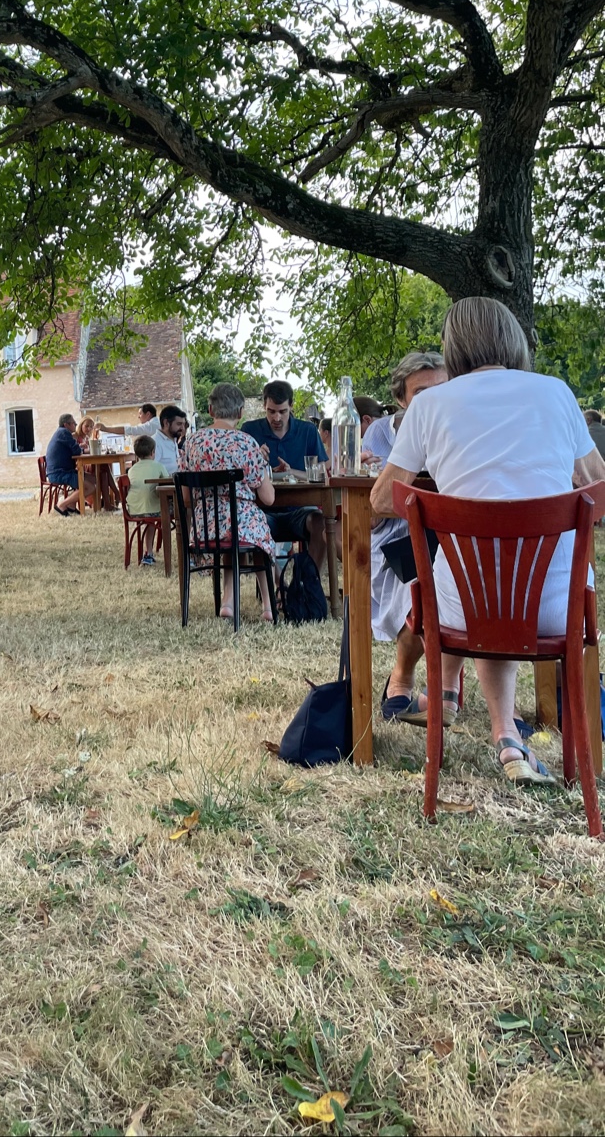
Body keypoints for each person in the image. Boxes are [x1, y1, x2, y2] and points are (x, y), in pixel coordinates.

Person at [371, 297, 605, 787]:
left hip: (462, 611)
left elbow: (382, 499)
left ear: (452, 349)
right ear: (513, 339)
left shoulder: (429, 404)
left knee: (477, 573)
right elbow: (596, 484)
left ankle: (449, 699)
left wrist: (447, 495)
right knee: (502, 570)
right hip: (558, 607)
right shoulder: (557, 393)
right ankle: (507, 737)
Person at [362, 351, 448, 717]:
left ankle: (445, 684)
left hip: (450, 530)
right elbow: (372, 511)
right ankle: (405, 675)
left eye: (442, 390)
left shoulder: (458, 425)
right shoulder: (379, 433)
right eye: (422, 394)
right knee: (418, 578)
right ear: (401, 398)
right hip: (394, 534)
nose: (434, 401)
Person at [177, 382, 277, 619]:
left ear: (210, 410)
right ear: (241, 413)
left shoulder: (191, 443)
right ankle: (269, 606)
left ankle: (228, 603)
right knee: (259, 538)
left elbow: (185, 497)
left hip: (204, 529)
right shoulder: (246, 443)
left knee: (234, 535)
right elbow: (268, 498)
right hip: (241, 524)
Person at [242, 380, 328, 571]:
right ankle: (273, 585)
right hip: (262, 511)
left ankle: (308, 580)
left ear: (291, 406)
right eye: (271, 411)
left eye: (282, 411)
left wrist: (291, 472)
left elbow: (322, 475)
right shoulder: (249, 431)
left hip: (300, 509)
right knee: (253, 521)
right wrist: (255, 459)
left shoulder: (308, 431)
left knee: (321, 522)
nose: (277, 417)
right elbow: (240, 477)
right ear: (264, 406)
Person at [125, 434, 167, 564]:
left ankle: (148, 553)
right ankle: (150, 552)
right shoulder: (158, 466)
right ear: (153, 452)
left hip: (133, 510)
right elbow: (167, 484)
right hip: (154, 510)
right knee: (157, 514)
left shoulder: (131, 469)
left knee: (150, 518)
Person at [45, 413, 84, 516]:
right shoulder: (64, 433)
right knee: (88, 486)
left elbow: (74, 450)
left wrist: (80, 448)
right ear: (66, 424)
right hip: (59, 473)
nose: (76, 425)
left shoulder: (61, 433)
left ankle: (71, 506)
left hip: (61, 471)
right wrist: (81, 448)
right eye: (73, 423)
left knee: (93, 480)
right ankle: (62, 505)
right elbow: (77, 451)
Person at [151, 404, 188, 475]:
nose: (182, 428)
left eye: (183, 424)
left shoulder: (173, 439)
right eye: (179, 424)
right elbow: (152, 472)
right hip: (165, 482)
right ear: (166, 423)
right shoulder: (155, 442)